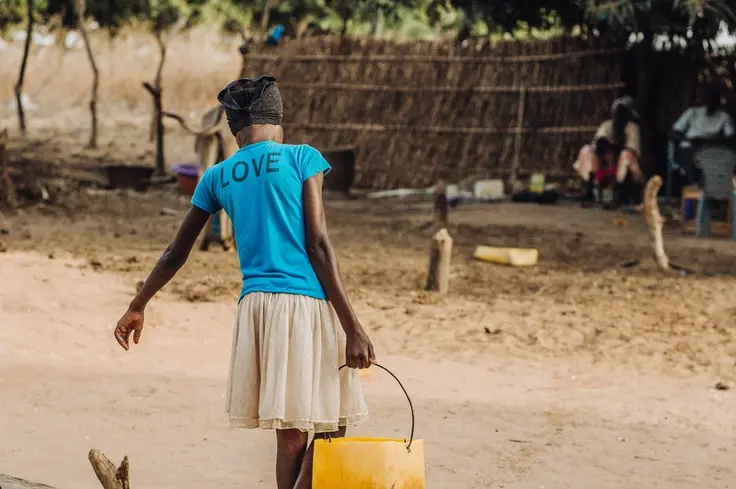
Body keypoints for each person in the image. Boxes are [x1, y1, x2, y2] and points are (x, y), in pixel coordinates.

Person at [113, 76, 375, 489]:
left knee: (289, 434)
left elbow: (175, 253)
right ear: (278, 122)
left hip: (256, 307)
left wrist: (137, 304)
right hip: (305, 303)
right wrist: (353, 327)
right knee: (331, 421)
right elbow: (318, 245)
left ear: (235, 131)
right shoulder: (302, 158)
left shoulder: (218, 175)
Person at [573, 96, 644, 207]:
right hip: (603, 164)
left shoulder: (632, 128)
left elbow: (631, 150)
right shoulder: (606, 125)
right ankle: (589, 187)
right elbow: (598, 144)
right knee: (586, 150)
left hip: (623, 170)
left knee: (626, 155)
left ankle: (619, 192)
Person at [669, 81, 736, 190]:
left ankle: (705, 192)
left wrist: (710, 141)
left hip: (711, 148)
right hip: (688, 147)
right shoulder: (692, 112)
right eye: (709, 97)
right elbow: (673, 133)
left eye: (714, 98)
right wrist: (691, 140)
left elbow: (730, 138)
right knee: (692, 157)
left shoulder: (723, 117)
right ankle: (695, 188)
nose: (711, 100)